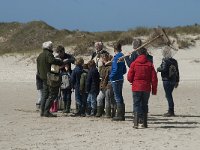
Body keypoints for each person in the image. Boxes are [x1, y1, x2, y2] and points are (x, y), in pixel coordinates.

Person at [127, 47, 158, 128]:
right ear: (146, 53)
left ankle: (136, 123)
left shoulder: (134, 63)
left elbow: (129, 77)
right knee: (145, 104)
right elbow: (154, 78)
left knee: (136, 104)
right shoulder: (149, 64)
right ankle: (144, 124)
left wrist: (132, 82)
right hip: (146, 87)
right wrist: (154, 90)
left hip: (136, 87)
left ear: (138, 54)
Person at [37, 41, 64, 117]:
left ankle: (42, 111)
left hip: (43, 77)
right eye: (52, 46)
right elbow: (51, 61)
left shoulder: (40, 55)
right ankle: (46, 111)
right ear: (49, 47)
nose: (52, 48)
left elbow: (38, 68)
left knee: (45, 95)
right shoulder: (48, 54)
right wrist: (59, 62)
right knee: (52, 94)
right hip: (50, 77)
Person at [157, 47, 180, 117]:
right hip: (173, 80)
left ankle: (171, 111)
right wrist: (177, 81)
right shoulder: (174, 61)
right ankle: (171, 110)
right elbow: (177, 71)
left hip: (167, 80)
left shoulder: (165, 61)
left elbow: (163, 69)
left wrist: (158, 68)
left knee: (168, 95)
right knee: (169, 95)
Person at [109, 42, 126, 121]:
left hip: (115, 79)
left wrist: (110, 77)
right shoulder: (122, 56)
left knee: (117, 96)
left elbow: (115, 69)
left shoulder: (116, 58)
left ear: (114, 49)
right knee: (120, 96)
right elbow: (124, 70)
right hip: (120, 78)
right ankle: (122, 114)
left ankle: (120, 115)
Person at [56, 45, 75, 113]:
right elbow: (53, 68)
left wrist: (66, 61)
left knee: (68, 93)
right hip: (60, 76)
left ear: (63, 51)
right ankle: (64, 107)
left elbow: (74, 60)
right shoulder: (57, 57)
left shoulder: (68, 56)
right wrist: (61, 67)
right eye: (59, 53)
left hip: (68, 76)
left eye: (61, 52)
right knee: (63, 93)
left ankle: (67, 108)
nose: (60, 54)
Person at [96, 53, 115, 118]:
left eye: (101, 58)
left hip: (108, 85)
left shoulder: (109, 67)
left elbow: (104, 76)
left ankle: (108, 114)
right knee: (99, 98)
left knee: (108, 99)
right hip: (103, 85)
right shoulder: (104, 66)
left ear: (104, 59)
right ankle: (99, 112)